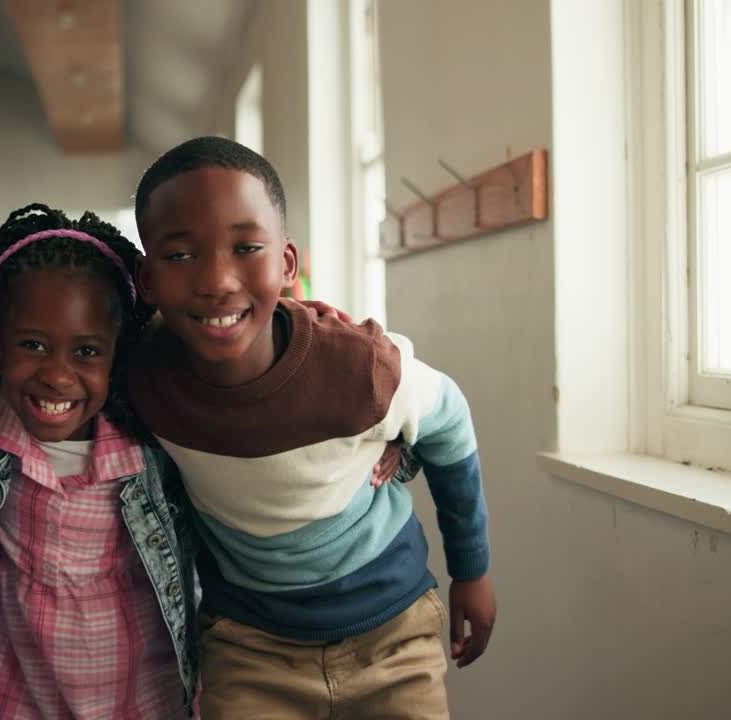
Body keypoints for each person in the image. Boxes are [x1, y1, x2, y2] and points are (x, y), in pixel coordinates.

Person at [127, 136, 496, 719]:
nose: (218, 279)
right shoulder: (144, 378)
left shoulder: (357, 366)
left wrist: (471, 570)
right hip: (248, 646)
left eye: (247, 247)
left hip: (392, 631)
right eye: (180, 255)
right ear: (145, 282)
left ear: (286, 263)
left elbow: (448, 417)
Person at [0, 204, 199, 719]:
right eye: (34, 345)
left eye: (86, 352)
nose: (58, 377)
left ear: (116, 354)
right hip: (28, 691)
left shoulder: (150, 446)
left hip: (144, 695)